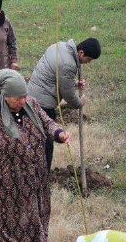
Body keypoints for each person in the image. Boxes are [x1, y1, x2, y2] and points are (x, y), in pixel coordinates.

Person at [0, 69, 70, 242]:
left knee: (31, 226)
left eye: (24, 96)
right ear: (6, 95)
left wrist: (58, 133)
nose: (22, 101)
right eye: (18, 98)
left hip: (32, 182)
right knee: (1, 229)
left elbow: (47, 122)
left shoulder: (32, 104)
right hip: (3, 186)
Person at [27, 37, 100, 170]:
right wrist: (79, 102)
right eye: (88, 60)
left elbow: (56, 77)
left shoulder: (60, 46)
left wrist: (74, 84)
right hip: (43, 103)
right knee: (46, 142)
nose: (88, 63)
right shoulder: (69, 64)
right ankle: (43, 175)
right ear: (81, 53)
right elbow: (68, 96)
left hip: (32, 96)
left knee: (34, 138)